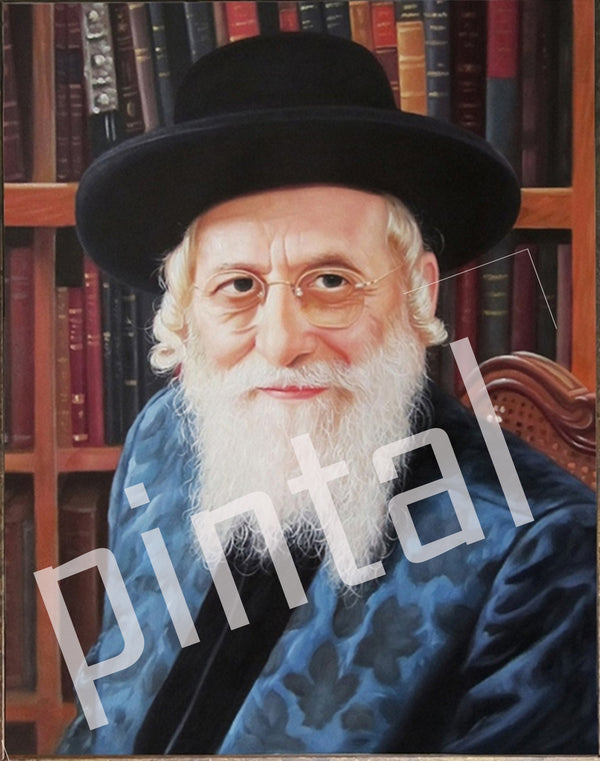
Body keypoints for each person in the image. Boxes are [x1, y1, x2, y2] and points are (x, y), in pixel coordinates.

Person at [58, 33, 596, 755]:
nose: (282, 341)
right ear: (185, 312)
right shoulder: (163, 441)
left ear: (418, 292)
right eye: (238, 285)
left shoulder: (541, 549)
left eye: (332, 281)